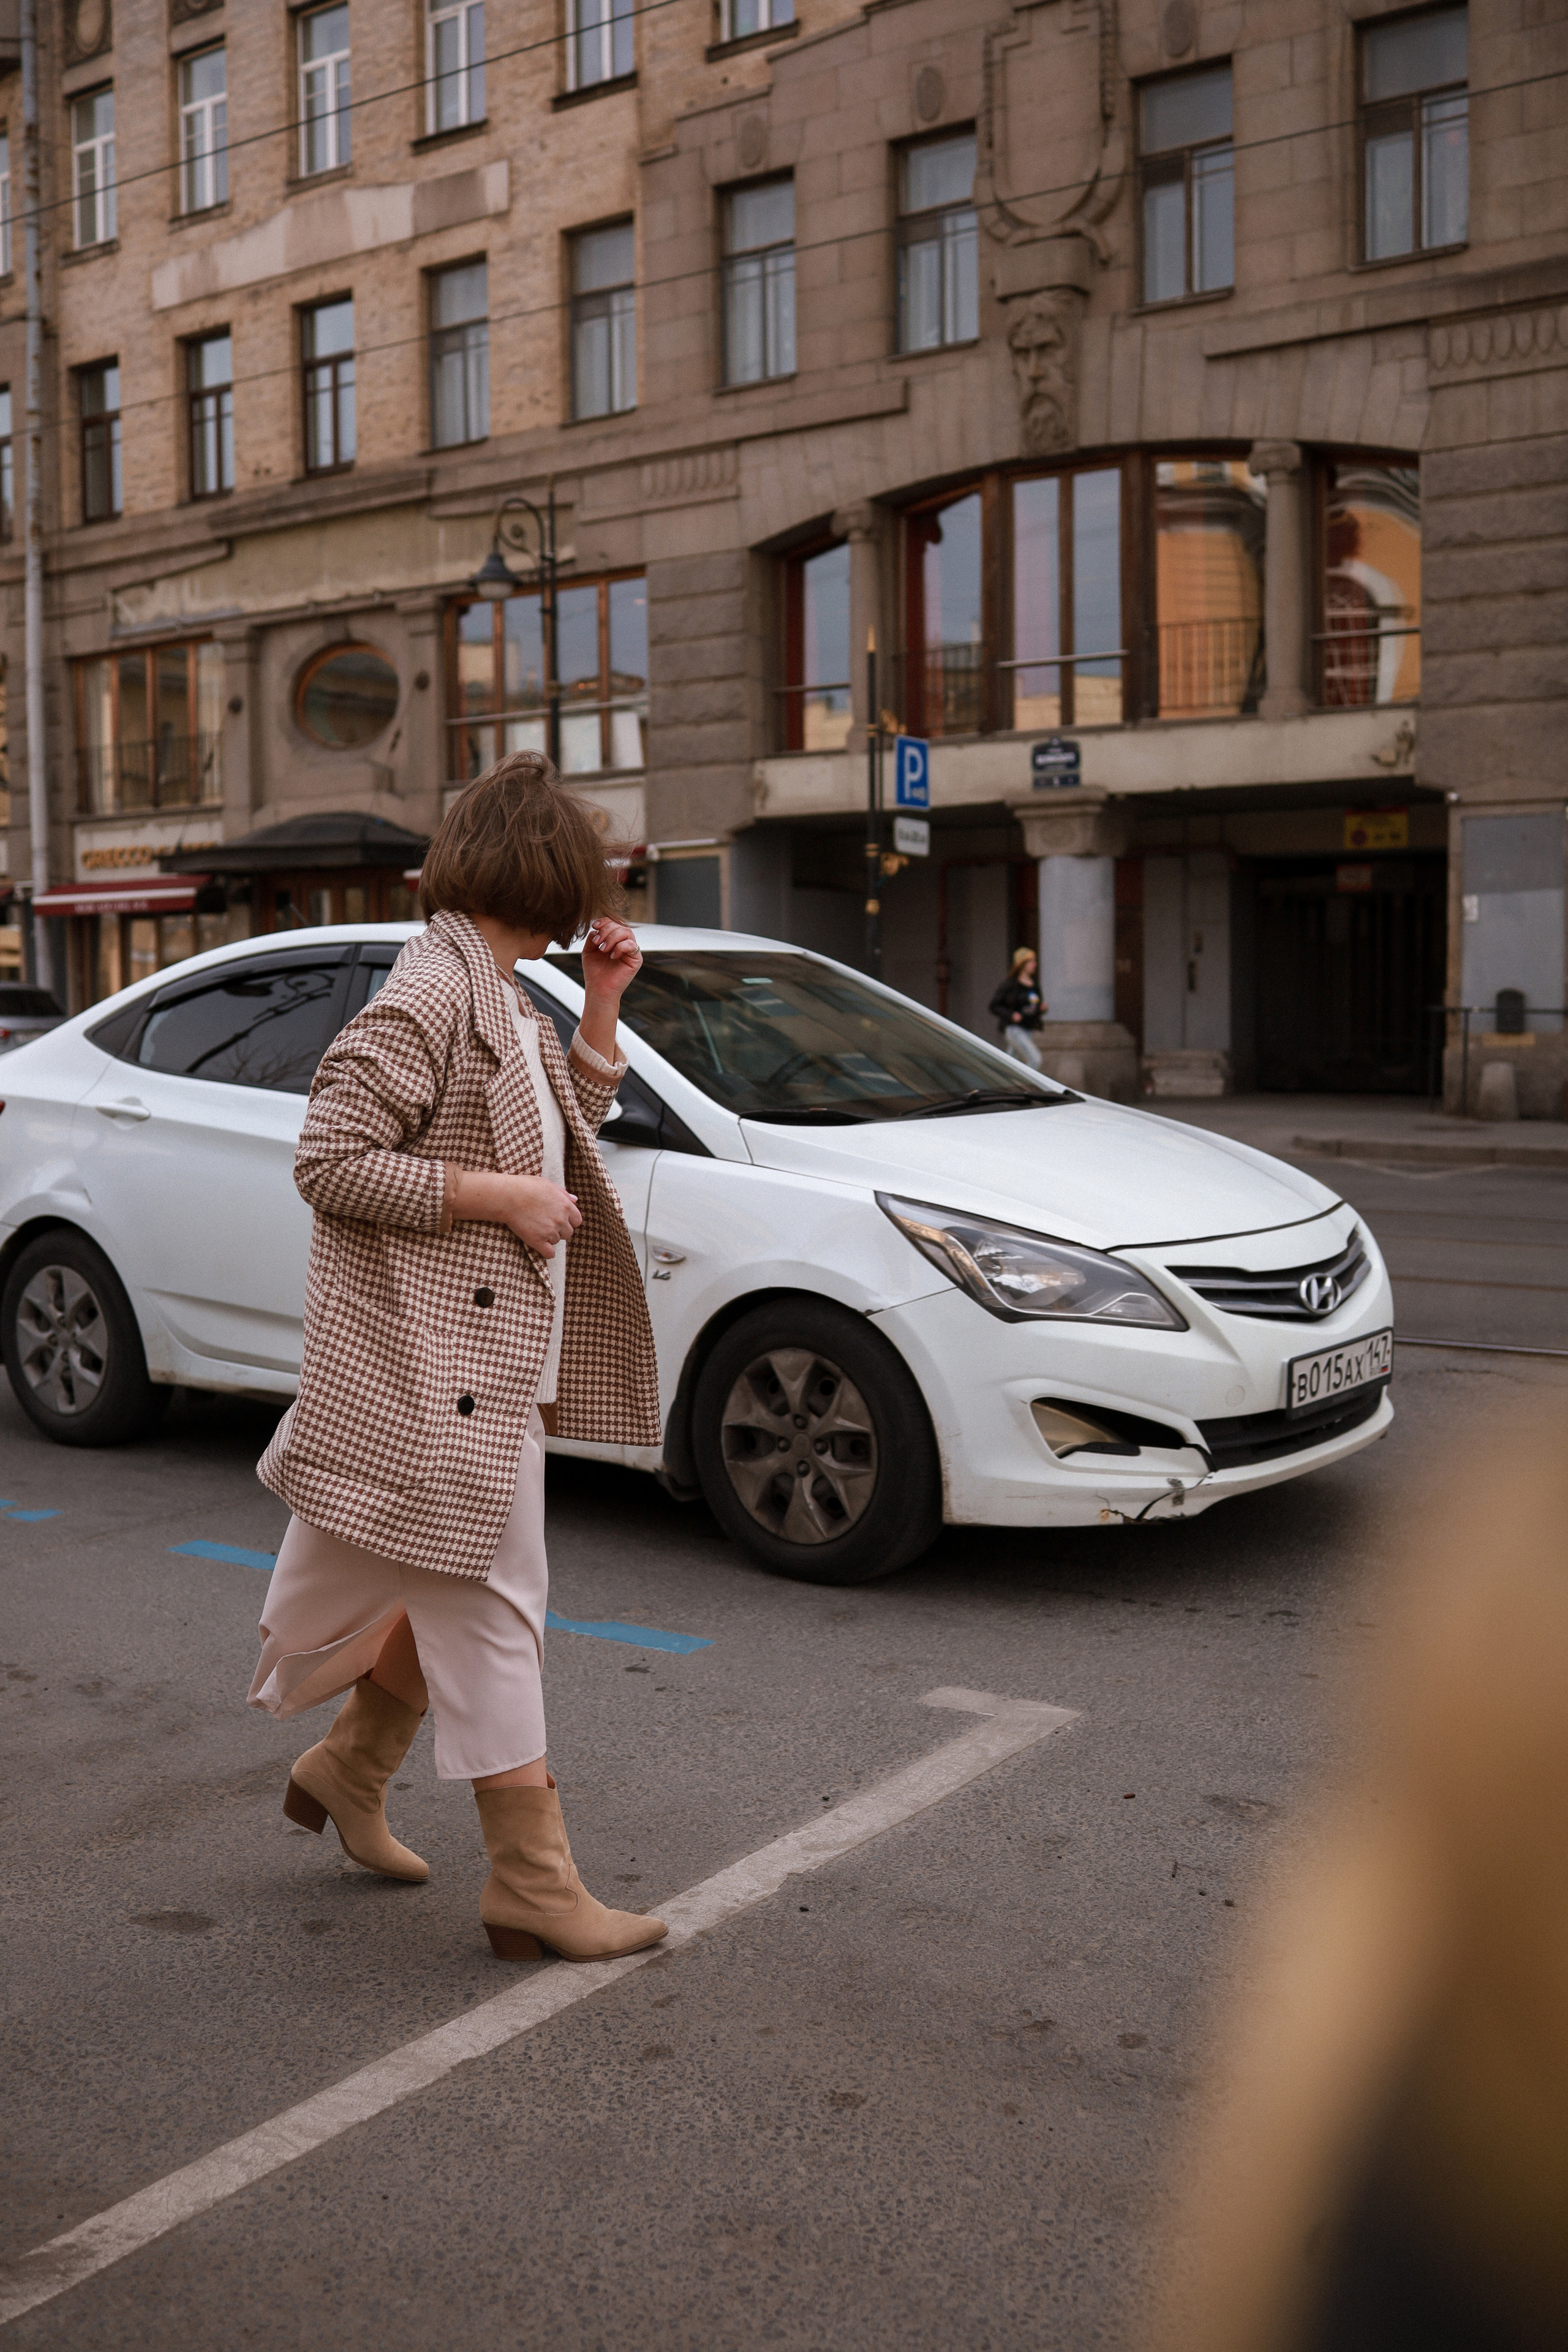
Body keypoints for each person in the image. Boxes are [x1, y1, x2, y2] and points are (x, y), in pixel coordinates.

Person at [247, 752, 667, 1964]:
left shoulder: (495, 991)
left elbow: (560, 1141)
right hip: (436, 1377)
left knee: (460, 1591)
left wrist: (599, 1008)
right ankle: (531, 1887)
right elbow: (329, 1157)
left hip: (477, 1365)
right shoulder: (432, 990)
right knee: (490, 1608)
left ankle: (348, 1770)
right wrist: (494, 1199)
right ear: (545, 875)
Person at [989, 946, 1046, 1069]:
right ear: (1022, 964)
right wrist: (1011, 1015)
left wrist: (1041, 1008)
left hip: (1028, 1028)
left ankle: (1005, 1085)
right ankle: (1025, 1087)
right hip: (1014, 1029)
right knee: (1035, 1059)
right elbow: (994, 1006)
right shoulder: (1011, 985)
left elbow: (1034, 1004)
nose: (1034, 965)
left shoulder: (1034, 984)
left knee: (1011, 1065)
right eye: (1031, 961)